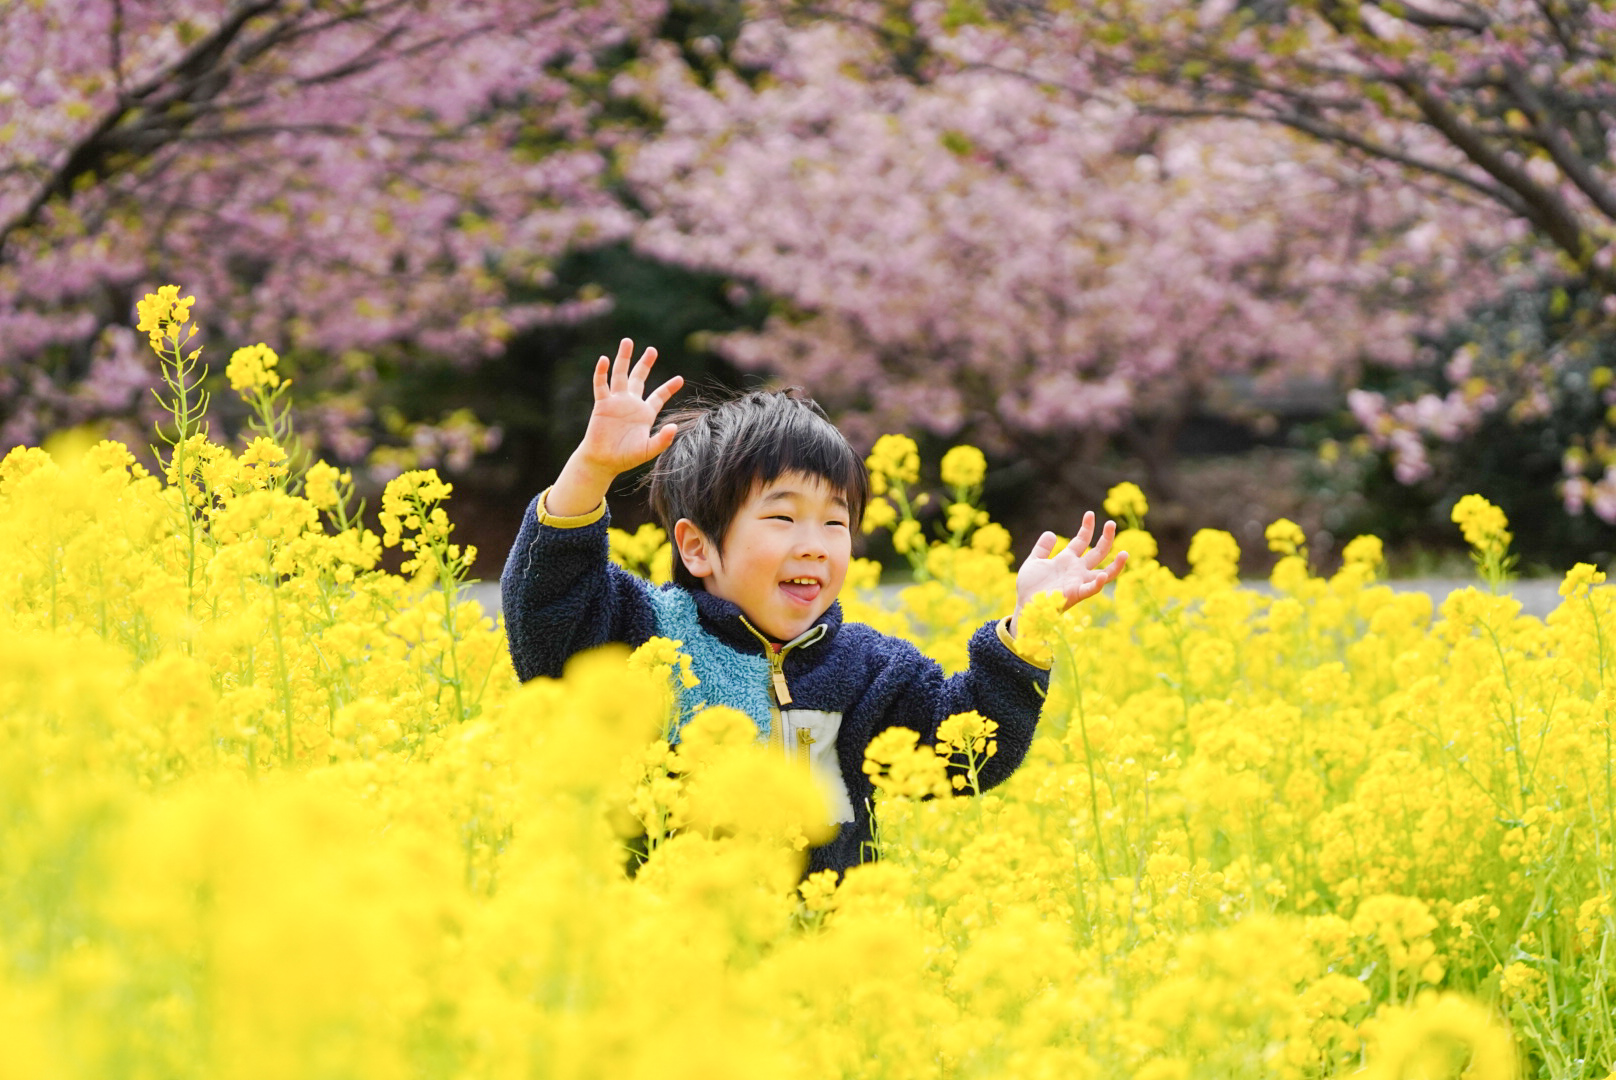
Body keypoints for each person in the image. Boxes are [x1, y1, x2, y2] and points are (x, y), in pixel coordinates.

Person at [501, 339, 1126, 877]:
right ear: (696, 547)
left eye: (836, 521)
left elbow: (967, 751)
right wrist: (589, 472)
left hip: (822, 961)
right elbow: (550, 611)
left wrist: (1027, 631)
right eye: (782, 517)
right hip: (666, 966)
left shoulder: (870, 671)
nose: (815, 545)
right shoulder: (645, 636)